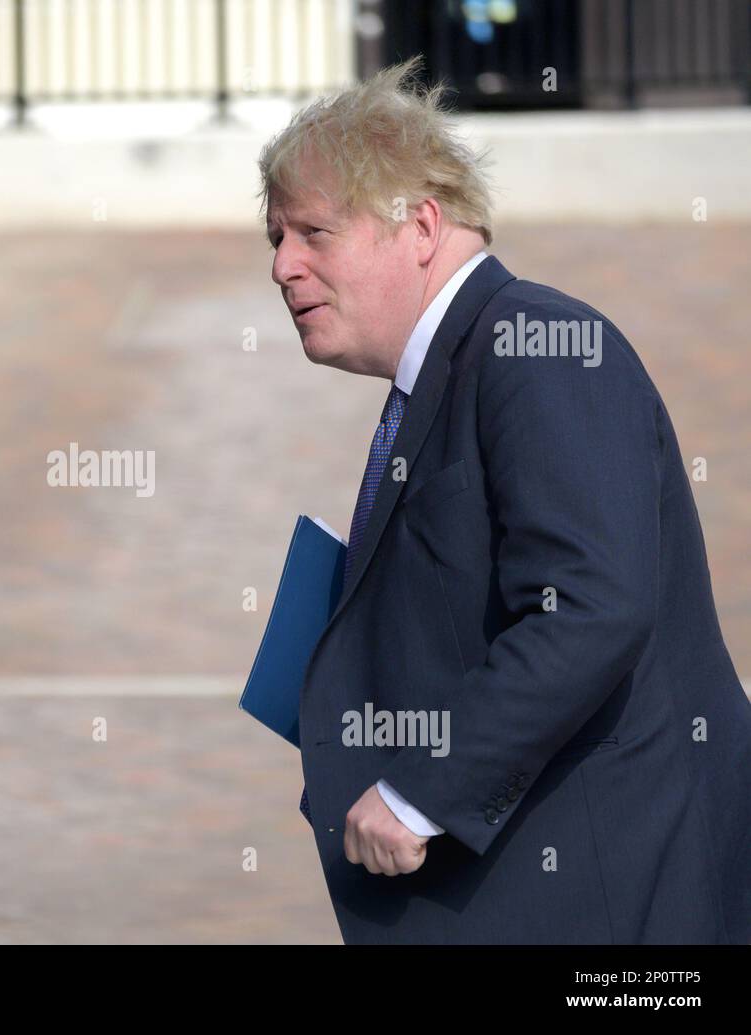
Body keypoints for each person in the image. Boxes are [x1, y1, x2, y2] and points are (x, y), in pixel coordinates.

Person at [259, 57, 751, 944]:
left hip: (616, 908)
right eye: (275, 237)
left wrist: (423, 789)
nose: (282, 265)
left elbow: (593, 607)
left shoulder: (537, 345)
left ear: (420, 225)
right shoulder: (457, 368)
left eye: (313, 233)